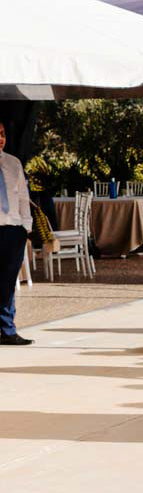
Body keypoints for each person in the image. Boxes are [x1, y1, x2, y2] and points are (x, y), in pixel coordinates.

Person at [0, 125, 36, 346]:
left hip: (13, 230)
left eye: (2, 134)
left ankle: (7, 330)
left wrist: (26, 227)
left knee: (7, 283)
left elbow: (23, 196)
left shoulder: (13, 163)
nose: (0, 139)